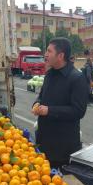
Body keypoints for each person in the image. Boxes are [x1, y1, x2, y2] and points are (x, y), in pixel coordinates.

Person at [32, 38, 88, 170]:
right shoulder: (49, 74)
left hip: (62, 148)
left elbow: (78, 111)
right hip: (44, 142)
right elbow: (41, 96)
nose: (45, 54)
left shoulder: (77, 78)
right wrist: (36, 104)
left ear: (61, 55)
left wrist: (49, 111)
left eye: (49, 51)